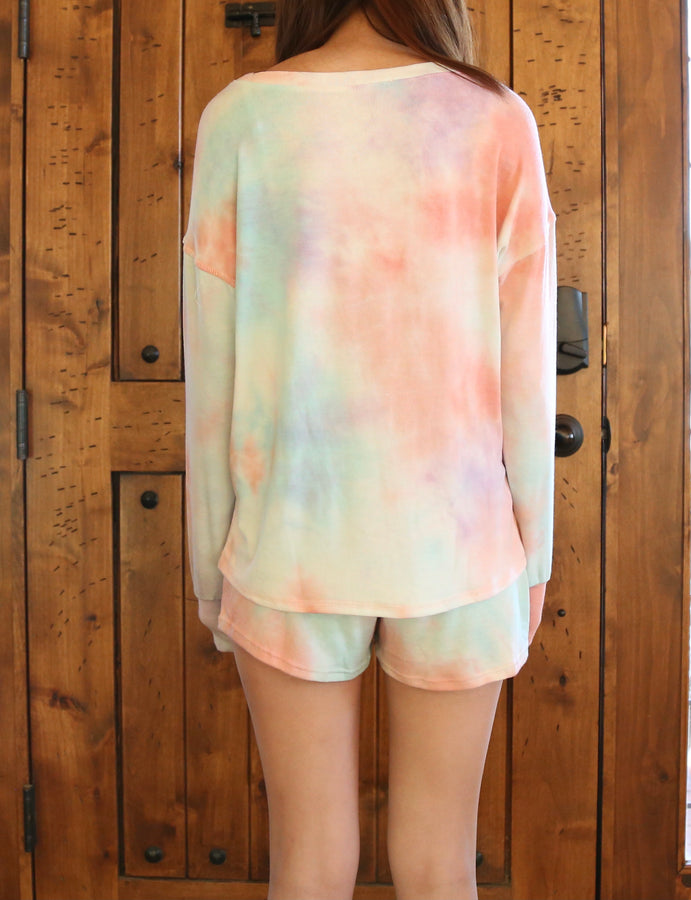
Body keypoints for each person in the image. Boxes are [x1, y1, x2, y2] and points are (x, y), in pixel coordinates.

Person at [182, 1, 557, 897]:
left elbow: (213, 379)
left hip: (290, 547)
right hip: (459, 546)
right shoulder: (495, 118)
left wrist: (209, 569)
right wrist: (532, 558)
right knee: (438, 863)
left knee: (308, 859)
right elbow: (527, 375)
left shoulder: (243, 116)